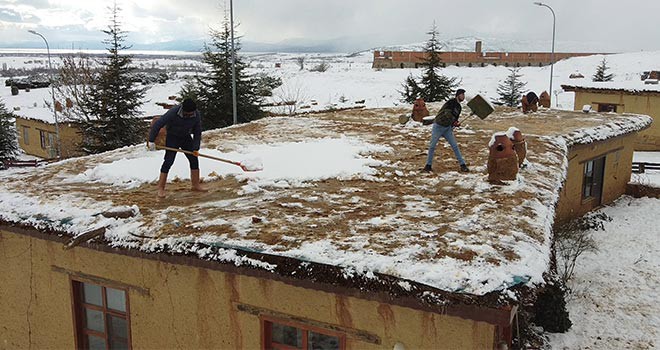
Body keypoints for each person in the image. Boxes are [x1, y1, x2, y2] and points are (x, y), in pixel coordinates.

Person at [148, 98, 206, 197]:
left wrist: (196, 148)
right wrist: (151, 140)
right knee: (168, 161)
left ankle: (195, 185)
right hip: (172, 137)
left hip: (185, 137)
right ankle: (161, 188)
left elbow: (197, 132)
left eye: (191, 114)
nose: (190, 116)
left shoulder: (196, 114)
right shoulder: (173, 112)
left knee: (194, 159)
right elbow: (158, 124)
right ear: (183, 110)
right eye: (188, 114)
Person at [424, 89, 470, 173]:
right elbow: (447, 113)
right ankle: (428, 166)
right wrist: (453, 121)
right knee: (432, 146)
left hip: (447, 128)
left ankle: (463, 165)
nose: (463, 96)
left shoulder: (459, 107)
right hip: (438, 126)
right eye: (462, 94)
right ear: (458, 95)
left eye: (463, 95)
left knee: (455, 146)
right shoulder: (450, 103)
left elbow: (454, 119)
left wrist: (455, 124)